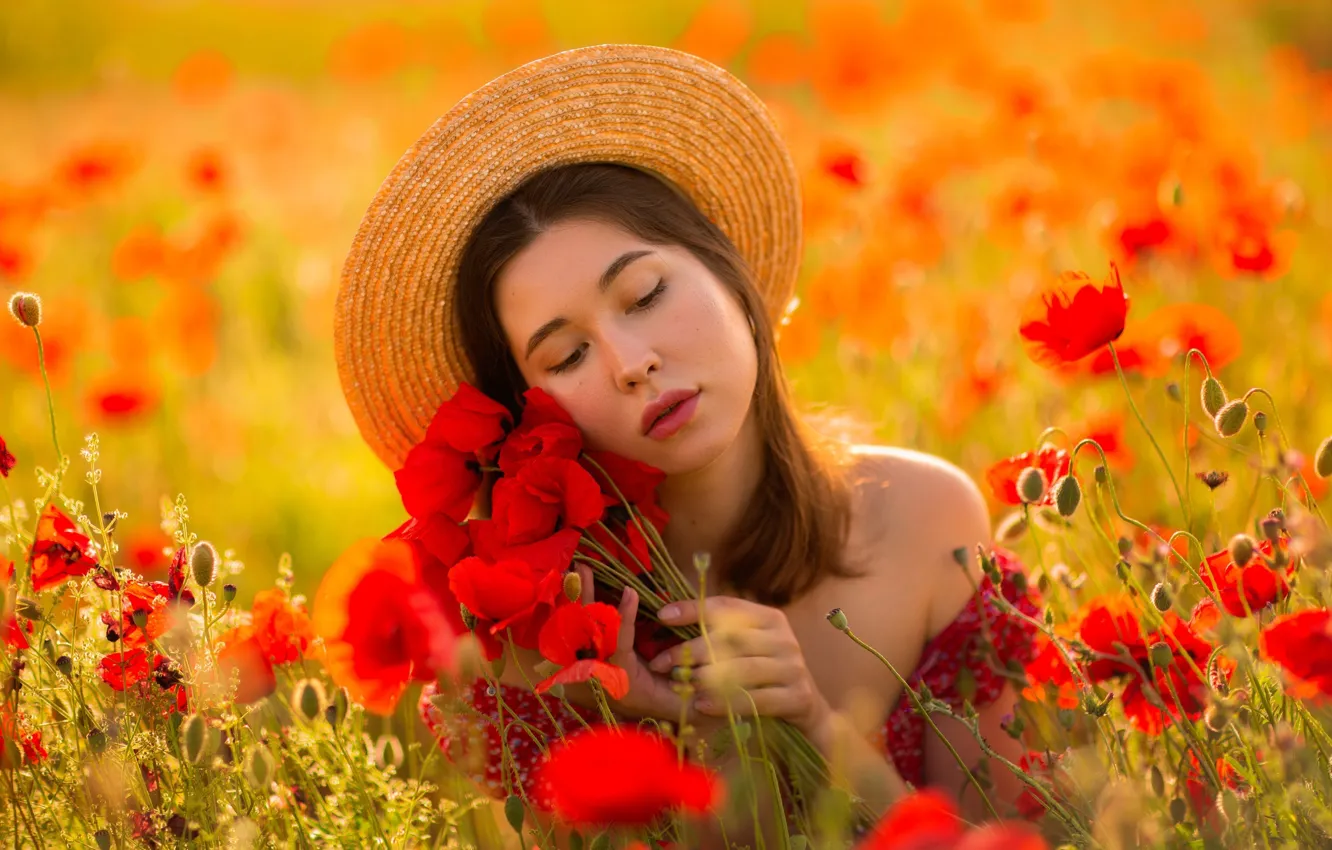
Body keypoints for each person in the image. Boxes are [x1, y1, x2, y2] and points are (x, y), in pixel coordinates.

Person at [335, 44, 1040, 846]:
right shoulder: (531, 658)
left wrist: (809, 724)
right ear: (522, 416)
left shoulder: (924, 523)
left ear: (729, 273)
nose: (633, 364)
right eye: (565, 356)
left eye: (647, 294)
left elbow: (1016, 832)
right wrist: (680, 745)